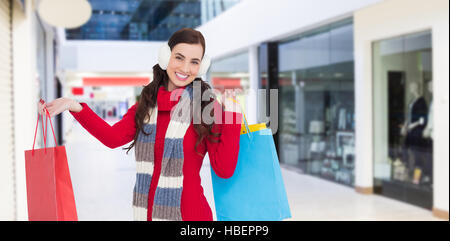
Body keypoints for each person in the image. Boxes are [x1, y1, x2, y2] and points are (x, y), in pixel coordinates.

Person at [38, 28, 243, 221]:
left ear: (201, 67)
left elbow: (224, 169)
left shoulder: (207, 107)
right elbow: (112, 138)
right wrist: (74, 106)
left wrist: (232, 117)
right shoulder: (146, 106)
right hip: (147, 212)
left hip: (192, 215)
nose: (185, 68)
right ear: (166, 57)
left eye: (194, 62)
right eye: (179, 57)